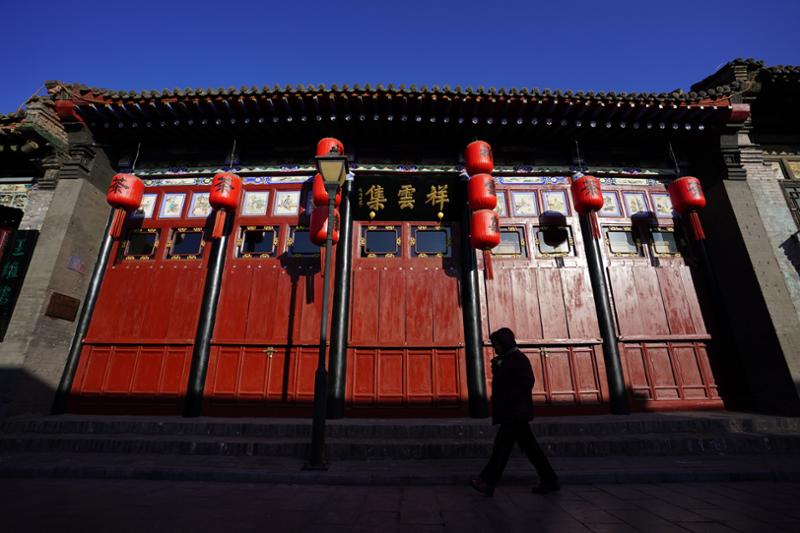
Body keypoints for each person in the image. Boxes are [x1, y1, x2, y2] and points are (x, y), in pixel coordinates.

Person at [470, 327, 560, 496]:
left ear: (504, 343)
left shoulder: (518, 359)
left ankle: (487, 481)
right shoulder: (507, 359)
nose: (495, 348)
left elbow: (526, 382)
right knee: (530, 449)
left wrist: (508, 399)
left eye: (496, 344)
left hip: (514, 413)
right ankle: (550, 479)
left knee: (501, 449)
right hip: (514, 414)